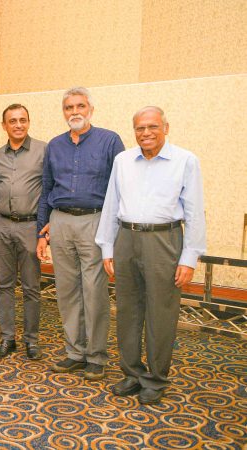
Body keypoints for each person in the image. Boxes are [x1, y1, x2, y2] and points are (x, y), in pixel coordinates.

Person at [96, 106, 206, 404]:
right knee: (128, 311)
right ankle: (132, 373)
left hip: (164, 240)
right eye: (140, 128)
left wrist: (189, 258)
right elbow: (111, 205)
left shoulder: (185, 161)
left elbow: (195, 212)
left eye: (152, 126)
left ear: (165, 128)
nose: (146, 133)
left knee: (161, 312)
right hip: (126, 239)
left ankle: (156, 378)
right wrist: (107, 247)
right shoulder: (122, 161)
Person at [36, 87, 124, 380]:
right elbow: (46, 189)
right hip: (60, 222)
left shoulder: (109, 140)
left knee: (94, 292)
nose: (74, 112)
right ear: (63, 112)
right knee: (67, 291)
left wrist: (114, 230)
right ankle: (75, 352)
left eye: (80, 106)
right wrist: (41, 232)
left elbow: (120, 188)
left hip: (95, 222)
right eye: (69, 107)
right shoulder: (55, 145)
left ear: (91, 110)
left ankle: (96, 356)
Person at [0, 104, 47, 360]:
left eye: (23, 120)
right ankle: (7, 338)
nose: (18, 125)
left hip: (30, 226)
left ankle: (31, 341)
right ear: (4, 126)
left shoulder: (43, 151)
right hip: (1, 224)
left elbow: (49, 190)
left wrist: (45, 231)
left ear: (29, 122)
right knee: (4, 285)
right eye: (12, 121)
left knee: (31, 287)